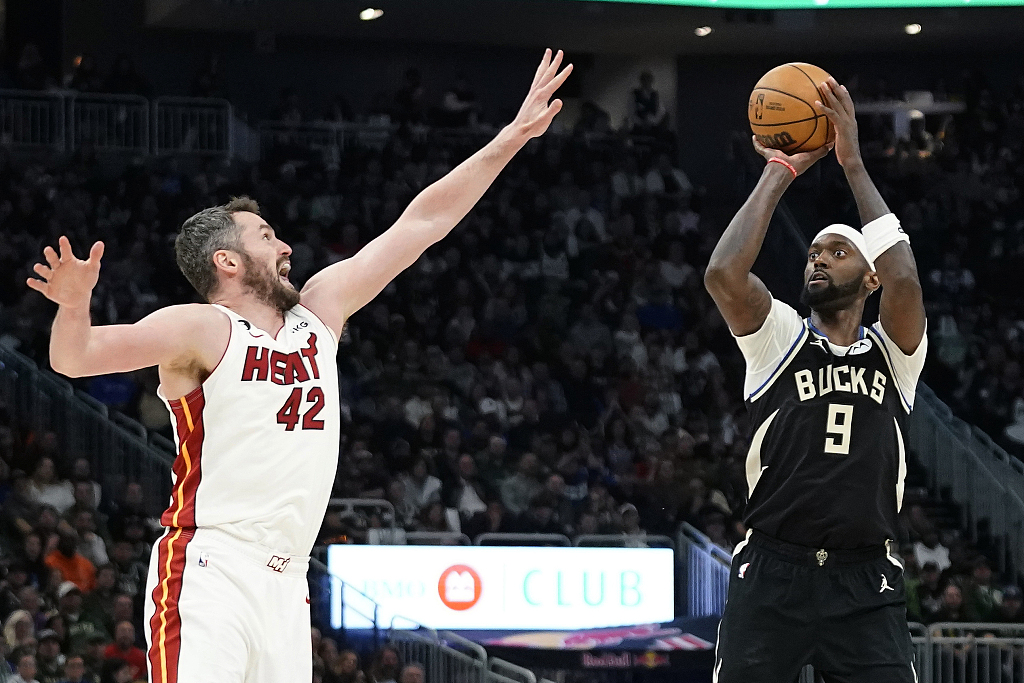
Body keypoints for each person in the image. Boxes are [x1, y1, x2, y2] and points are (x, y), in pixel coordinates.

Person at [28, 49, 571, 683]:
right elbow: (74, 358)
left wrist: (511, 136)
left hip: (287, 583)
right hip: (211, 571)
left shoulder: (320, 312)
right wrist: (73, 304)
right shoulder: (202, 327)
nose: (285, 245)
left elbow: (424, 220)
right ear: (227, 262)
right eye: (265, 237)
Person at [704, 77, 926, 682]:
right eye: (814, 253)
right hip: (774, 571)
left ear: (870, 278)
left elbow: (905, 280)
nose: (819, 259)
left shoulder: (895, 353)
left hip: (866, 581)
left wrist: (853, 164)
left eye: (836, 252)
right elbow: (724, 273)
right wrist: (781, 167)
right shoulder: (780, 336)